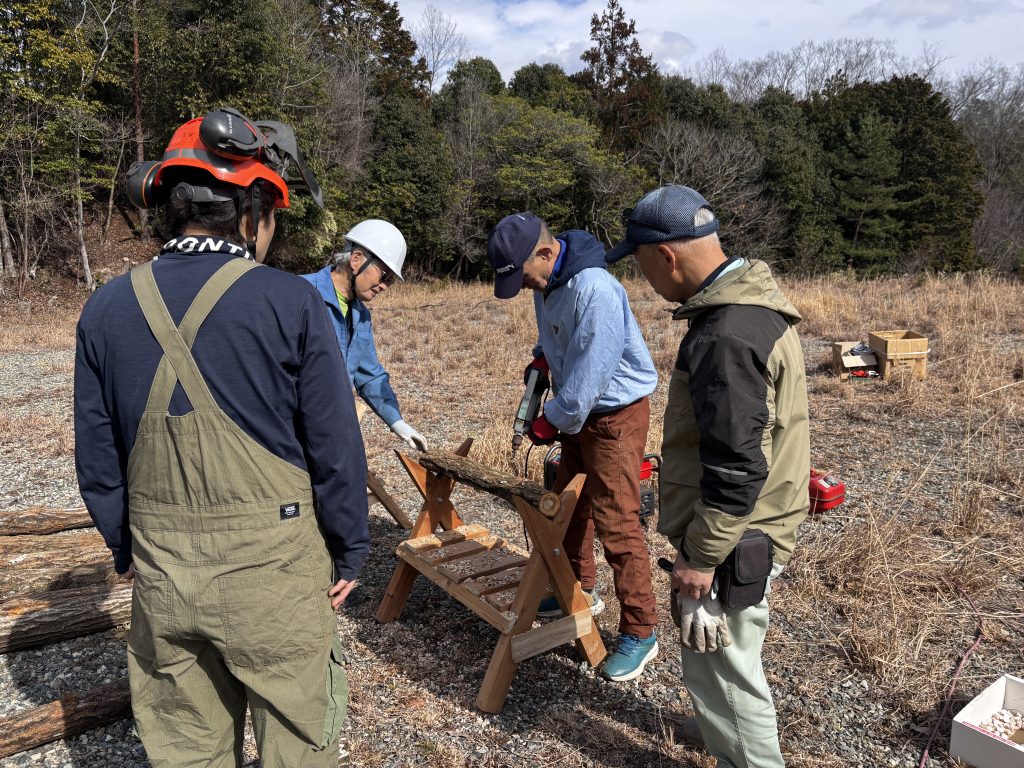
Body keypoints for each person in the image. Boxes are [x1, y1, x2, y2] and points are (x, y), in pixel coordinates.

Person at [75, 108, 367, 767]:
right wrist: (350, 548)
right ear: (254, 208)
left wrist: (126, 544)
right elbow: (335, 447)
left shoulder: (104, 309)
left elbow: (96, 456)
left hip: (163, 573)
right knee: (298, 740)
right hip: (276, 575)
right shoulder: (290, 302)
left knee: (185, 749)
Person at [607, 184, 810, 768]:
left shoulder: (724, 335)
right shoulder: (756, 309)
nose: (643, 276)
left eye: (640, 261)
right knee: (732, 664)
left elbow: (736, 465)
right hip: (754, 529)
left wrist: (698, 559)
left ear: (664, 254)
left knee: (727, 677)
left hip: (730, 542)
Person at [487, 212, 660, 682]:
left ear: (545, 253)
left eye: (523, 276)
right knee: (567, 506)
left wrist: (548, 422)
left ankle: (641, 631)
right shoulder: (548, 284)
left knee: (617, 519)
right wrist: (544, 359)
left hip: (614, 416)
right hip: (578, 413)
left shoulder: (595, 289)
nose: (523, 287)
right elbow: (561, 345)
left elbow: (588, 382)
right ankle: (578, 592)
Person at [302, 219, 427, 451]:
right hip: (295, 435)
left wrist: (397, 422)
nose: (385, 286)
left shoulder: (360, 315)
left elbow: (369, 376)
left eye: (391, 280)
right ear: (357, 259)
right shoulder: (301, 295)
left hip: (330, 433)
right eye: (384, 276)